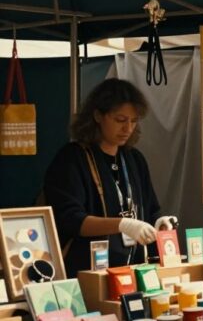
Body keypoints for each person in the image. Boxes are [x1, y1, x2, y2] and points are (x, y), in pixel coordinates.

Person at [44, 78, 175, 276]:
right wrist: (121, 224)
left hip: (134, 270)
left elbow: (150, 209)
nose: (127, 128)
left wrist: (160, 223)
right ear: (98, 116)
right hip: (86, 273)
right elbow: (70, 219)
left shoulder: (134, 159)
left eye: (133, 121)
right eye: (120, 120)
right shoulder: (72, 158)